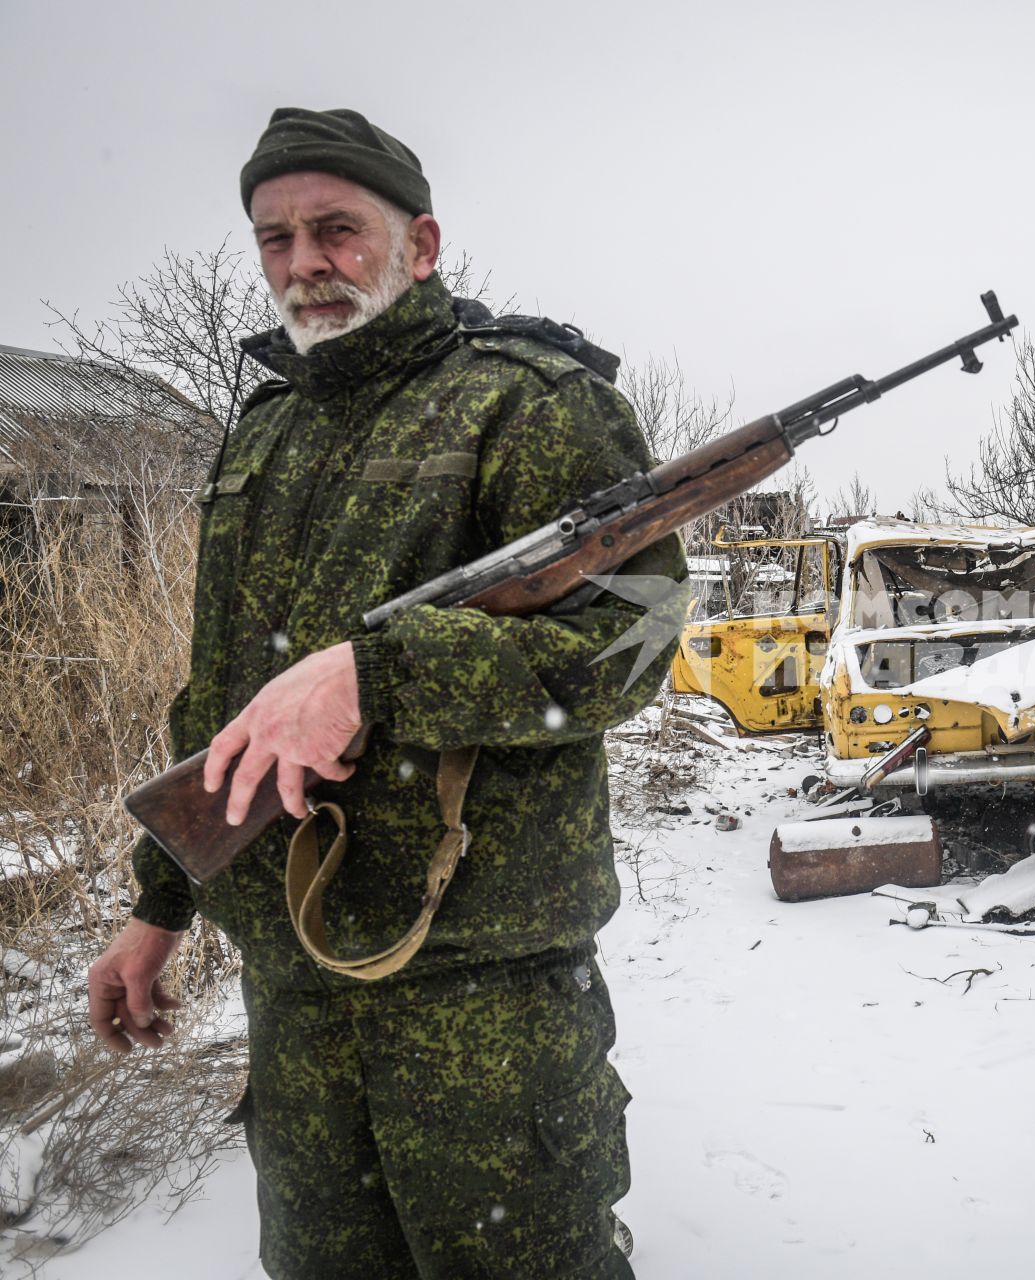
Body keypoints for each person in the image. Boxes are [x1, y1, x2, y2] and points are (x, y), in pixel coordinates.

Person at [85, 107, 684, 1279]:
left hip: (483, 980)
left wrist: (382, 674)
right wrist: (161, 899)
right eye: (276, 238)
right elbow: (220, 693)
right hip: (297, 978)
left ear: (421, 243)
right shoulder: (265, 430)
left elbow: (630, 645)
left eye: (337, 230)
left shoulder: (533, 400)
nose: (304, 262)